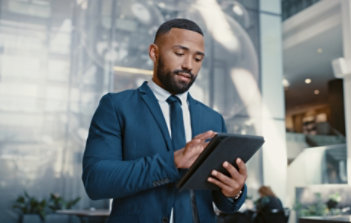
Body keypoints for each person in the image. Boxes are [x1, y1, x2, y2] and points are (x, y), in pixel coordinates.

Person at [82, 18, 248, 223]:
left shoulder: (213, 119)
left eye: (197, 59)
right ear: (154, 52)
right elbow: (96, 181)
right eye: (179, 53)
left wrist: (234, 191)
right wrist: (172, 161)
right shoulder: (117, 106)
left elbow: (222, 201)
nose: (188, 65)